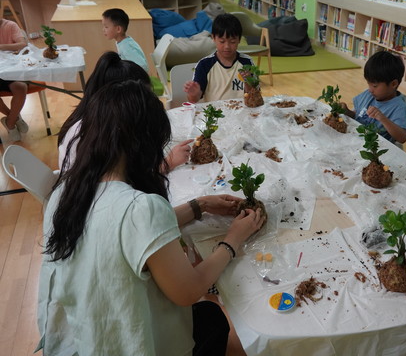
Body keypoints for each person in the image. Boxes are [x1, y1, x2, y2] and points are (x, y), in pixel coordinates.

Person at [38, 79, 265, 355]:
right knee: (212, 317)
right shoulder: (140, 209)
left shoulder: (65, 193)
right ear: (144, 143)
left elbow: (127, 231)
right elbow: (188, 290)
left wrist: (200, 205)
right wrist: (233, 239)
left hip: (76, 342)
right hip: (129, 346)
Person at [58, 51, 191, 172]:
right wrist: (168, 163)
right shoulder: (96, 136)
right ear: (120, 99)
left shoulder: (101, 118)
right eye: (143, 99)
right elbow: (126, 183)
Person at [341, 50, 406, 143]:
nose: (370, 89)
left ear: (393, 84)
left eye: (374, 86)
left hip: (372, 149)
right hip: (352, 139)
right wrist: (347, 112)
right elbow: (356, 115)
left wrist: (383, 118)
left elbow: (402, 138)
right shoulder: (369, 95)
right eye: (368, 84)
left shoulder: (399, 107)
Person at [184, 13, 254, 103]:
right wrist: (193, 94)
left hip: (241, 113)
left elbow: (254, 96)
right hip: (214, 114)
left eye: (232, 41)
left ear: (239, 39)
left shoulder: (247, 63)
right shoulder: (204, 65)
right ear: (213, 38)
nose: (227, 46)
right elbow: (193, 100)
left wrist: (249, 83)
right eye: (222, 41)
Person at [0, 17, 29, 141]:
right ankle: (14, 118)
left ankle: (10, 123)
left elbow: (23, 44)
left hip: (11, 69)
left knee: (21, 88)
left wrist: (1, 46)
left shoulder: (10, 25)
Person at [102, 8, 149, 72]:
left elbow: (143, 67)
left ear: (118, 29)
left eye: (106, 27)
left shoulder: (127, 47)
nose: (103, 30)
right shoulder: (121, 42)